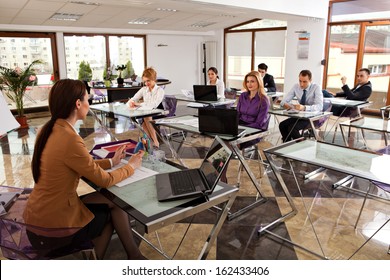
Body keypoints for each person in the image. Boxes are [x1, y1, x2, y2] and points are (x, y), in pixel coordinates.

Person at [23, 79, 146, 260]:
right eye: (87, 100)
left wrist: (112, 162)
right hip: (54, 226)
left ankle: (132, 256)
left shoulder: (48, 129)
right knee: (110, 213)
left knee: (114, 203)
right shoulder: (69, 138)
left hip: (38, 217)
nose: (89, 104)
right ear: (78, 104)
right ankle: (104, 261)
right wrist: (130, 166)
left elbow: (82, 163)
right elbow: (104, 180)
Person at [220, 71, 270, 183]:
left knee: (227, 144)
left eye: (252, 81)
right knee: (220, 140)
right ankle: (216, 173)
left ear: (259, 82)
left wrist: (241, 130)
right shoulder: (243, 96)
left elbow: (259, 123)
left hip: (254, 132)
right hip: (239, 127)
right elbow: (237, 115)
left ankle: (221, 178)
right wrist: (231, 125)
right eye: (247, 81)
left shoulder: (264, 100)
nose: (249, 84)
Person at [279, 70, 323, 142]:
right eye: (300, 81)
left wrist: (305, 107)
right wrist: (287, 105)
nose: (301, 84)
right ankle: (287, 145)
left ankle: (301, 147)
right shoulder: (296, 86)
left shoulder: (316, 87)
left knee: (292, 128)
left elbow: (319, 106)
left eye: (304, 82)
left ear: (310, 80)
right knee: (282, 125)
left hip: (312, 117)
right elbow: (283, 101)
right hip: (300, 116)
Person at [126, 67, 165, 148]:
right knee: (144, 123)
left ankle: (155, 141)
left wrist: (140, 104)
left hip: (158, 112)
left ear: (154, 79)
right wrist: (131, 103)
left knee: (146, 119)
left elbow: (154, 105)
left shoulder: (160, 90)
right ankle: (151, 144)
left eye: (148, 81)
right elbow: (133, 99)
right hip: (146, 113)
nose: (146, 83)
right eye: (145, 81)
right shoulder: (144, 89)